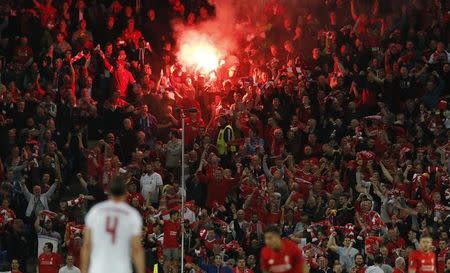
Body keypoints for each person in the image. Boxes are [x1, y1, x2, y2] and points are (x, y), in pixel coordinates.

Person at [80, 177, 145, 273]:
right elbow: (136, 249)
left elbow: (86, 245)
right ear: (124, 194)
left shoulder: (96, 211)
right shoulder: (132, 214)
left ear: (109, 193)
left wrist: (84, 271)